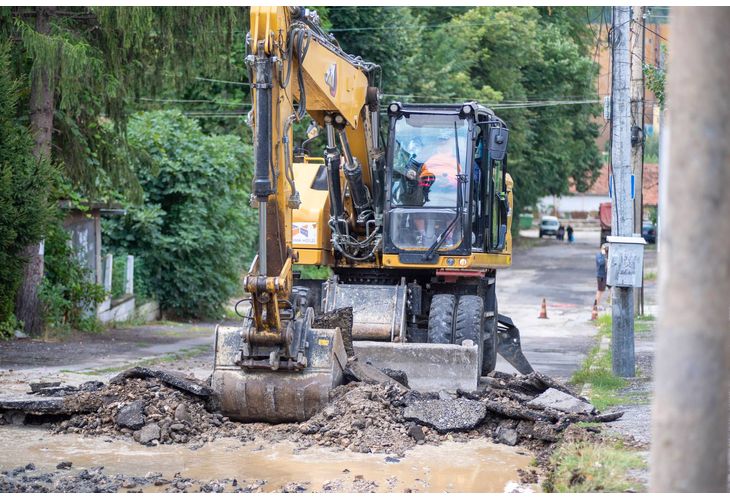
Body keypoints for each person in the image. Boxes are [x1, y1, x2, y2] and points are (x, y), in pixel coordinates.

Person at [594, 243, 608, 308]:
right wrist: (603, 255)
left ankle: (609, 304)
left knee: (610, 290)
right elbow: (601, 262)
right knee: (600, 291)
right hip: (601, 275)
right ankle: (596, 305)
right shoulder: (599, 255)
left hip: (605, 275)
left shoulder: (606, 255)